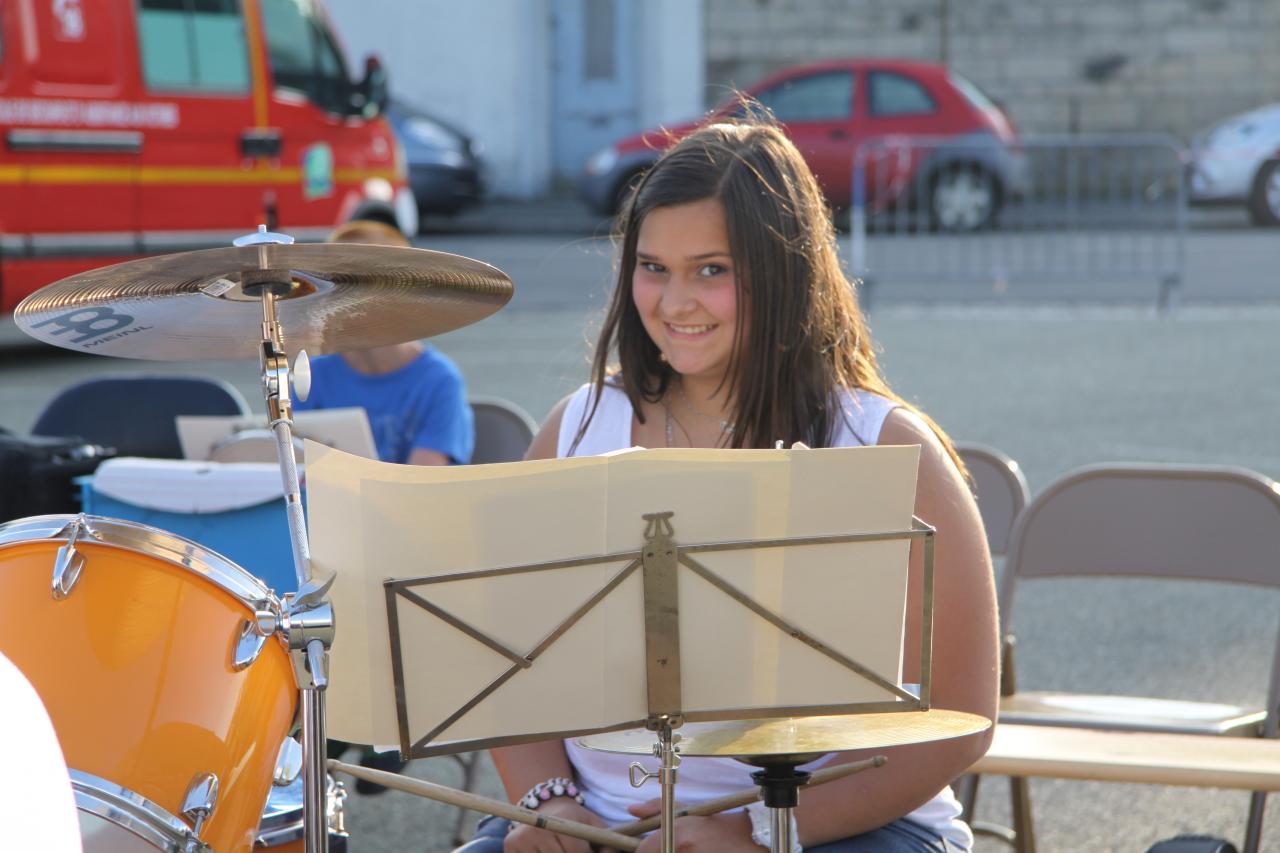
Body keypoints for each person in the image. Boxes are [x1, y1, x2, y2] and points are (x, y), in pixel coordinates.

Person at [457, 120, 998, 852]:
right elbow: (507, 660)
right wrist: (547, 802)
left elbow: (962, 717)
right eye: (653, 267)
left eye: (711, 270)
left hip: (842, 827)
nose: (675, 301)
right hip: (597, 821)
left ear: (781, 272)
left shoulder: (890, 447)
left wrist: (765, 830)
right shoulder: (577, 429)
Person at [302, 219, 474, 793]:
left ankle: (373, 721)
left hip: (405, 563)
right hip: (333, 557)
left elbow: (420, 491)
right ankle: (335, 728)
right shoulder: (316, 374)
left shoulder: (437, 380)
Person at [294, 218, 474, 467]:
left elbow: (420, 485)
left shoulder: (439, 380)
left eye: (362, 284)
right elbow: (295, 471)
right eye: (336, 284)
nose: (347, 298)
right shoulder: (312, 374)